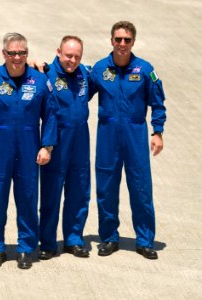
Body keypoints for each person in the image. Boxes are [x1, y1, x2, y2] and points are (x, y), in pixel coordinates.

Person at [0, 33, 58, 269]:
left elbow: (50, 115)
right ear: (4, 54)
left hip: (29, 144)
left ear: (27, 54)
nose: (17, 57)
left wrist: (47, 146)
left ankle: (25, 248)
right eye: (12, 53)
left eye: (22, 53)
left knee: (28, 198)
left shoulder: (40, 81)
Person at [90, 21, 166, 259]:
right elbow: (78, 88)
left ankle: (144, 240)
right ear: (111, 40)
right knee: (106, 189)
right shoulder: (100, 69)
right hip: (107, 136)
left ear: (133, 42)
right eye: (118, 39)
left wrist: (157, 131)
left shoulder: (145, 70)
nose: (122, 44)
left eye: (127, 40)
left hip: (135, 135)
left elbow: (157, 103)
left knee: (141, 188)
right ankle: (109, 238)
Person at [38, 36, 92, 260]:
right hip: (57, 138)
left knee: (79, 190)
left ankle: (74, 239)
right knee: (51, 192)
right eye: (68, 55)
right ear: (58, 52)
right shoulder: (46, 74)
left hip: (80, 138)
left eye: (77, 56)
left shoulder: (85, 74)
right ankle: (48, 242)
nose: (72, 60)